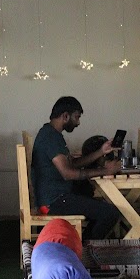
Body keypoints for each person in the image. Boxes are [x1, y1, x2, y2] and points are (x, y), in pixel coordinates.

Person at [32, 97, 121, 240]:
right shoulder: (50, 137)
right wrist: (106, 171)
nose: (78, 122)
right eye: (77, 117)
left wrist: (101, 151)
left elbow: (72, 164)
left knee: (93, 197)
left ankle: (83, 244)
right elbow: (68, 173)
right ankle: (85, 247)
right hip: (54, 202)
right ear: (65, 116)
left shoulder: (51, 133)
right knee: (110, 213)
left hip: (56, 196)